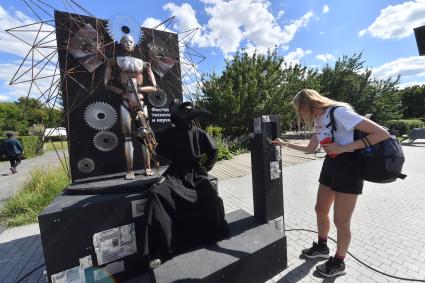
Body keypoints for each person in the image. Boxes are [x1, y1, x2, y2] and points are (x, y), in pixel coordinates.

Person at [272, 89, 390, 277]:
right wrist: (284, 144)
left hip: (350, 167)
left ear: (308, 104)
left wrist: (343, 147)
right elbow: (311, 149)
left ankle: (339, 262)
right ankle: (322, 246)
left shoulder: (339, 112)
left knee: (341, 221)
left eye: (299, 109)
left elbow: (381, 133)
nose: (300, 114)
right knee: (320, 209)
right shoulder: (319, 119)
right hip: (331, 164)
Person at [143, 100, 229, 269]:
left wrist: (205, 168)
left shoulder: (200, 133)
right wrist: (146, 141)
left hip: (196, 173)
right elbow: (157, 151)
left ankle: (213, 233)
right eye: (182, 118)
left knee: (209, 193)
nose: (185, 121)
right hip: (176, 173)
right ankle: (159, 250)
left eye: (187, 118)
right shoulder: (169, 134)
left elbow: (213, 151)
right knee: (157, 195)